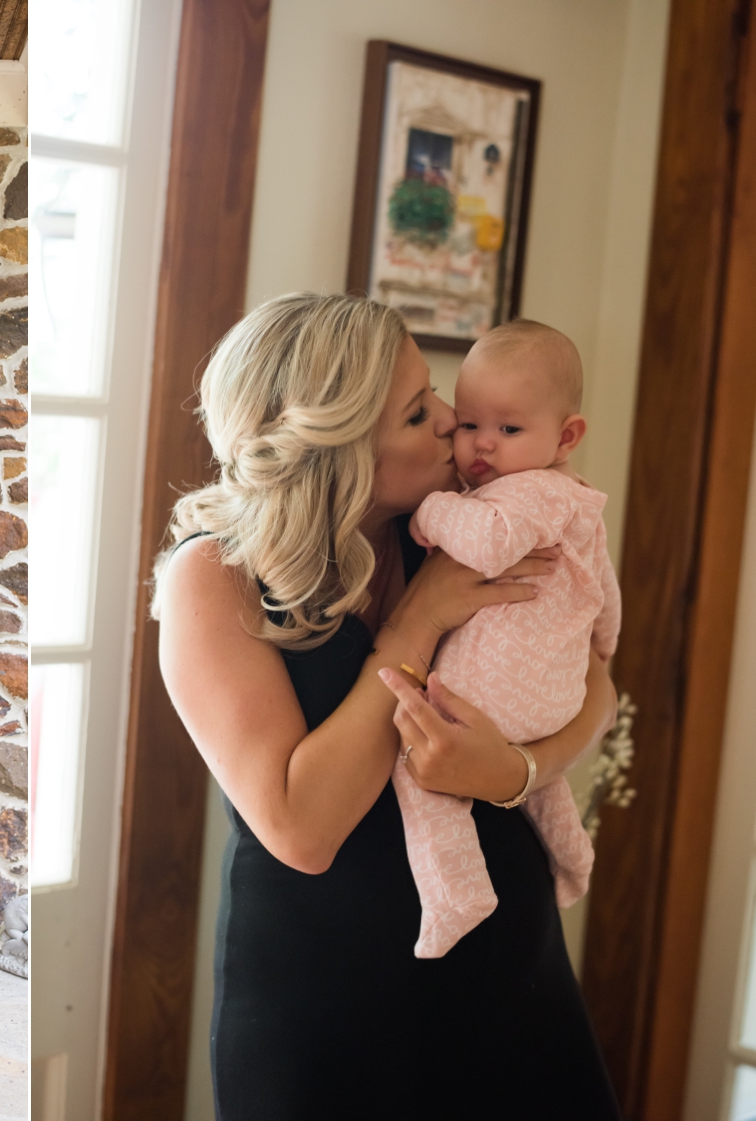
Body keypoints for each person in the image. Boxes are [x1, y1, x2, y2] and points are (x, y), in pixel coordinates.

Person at [153, 294, 621, 1119]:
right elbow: (303, 828)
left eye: (433, 392)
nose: (452, 421)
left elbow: (600, 689)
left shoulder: (460, 526)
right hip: (327, 1006)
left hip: (509, 971)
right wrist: (417, 619)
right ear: (339, 448)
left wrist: (516, 771)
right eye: (417, 412)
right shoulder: (216, 577)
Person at [396, 319, 619, 958]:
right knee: (542, 785)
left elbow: (491, 542)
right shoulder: (576, 498)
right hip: (553, 697)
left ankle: (456, 891)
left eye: (509, 429)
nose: (481, 446)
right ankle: (573, 858)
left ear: (566, 435)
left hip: (489, 692)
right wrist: (602, 645)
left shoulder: (525, 495)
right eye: (470, 424)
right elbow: (605, 589)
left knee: (417, 762)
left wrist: (431, 513)